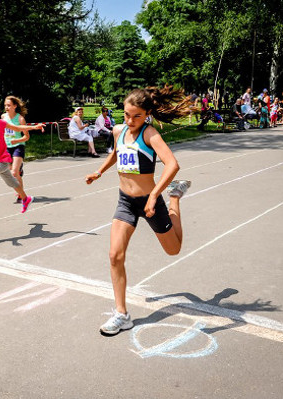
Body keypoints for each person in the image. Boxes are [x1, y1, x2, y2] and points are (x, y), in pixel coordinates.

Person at [85, 86, 192, 335]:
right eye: (126, 115)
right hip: (126, 202)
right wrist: (98, 172)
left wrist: (156, 195)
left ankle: (174, 197)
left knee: (173, 250)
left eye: (136, 116)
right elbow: (115, 154)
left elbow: (173, 164)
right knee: (115, 255)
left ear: (147, 114)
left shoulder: (150, 134)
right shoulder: (118, 130)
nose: (130, 121)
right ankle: (122, 314)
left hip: (150, 202)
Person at [1, 96, 30, 202]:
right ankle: (19, 170)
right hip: (7, 148)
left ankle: (21, 194)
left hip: (18, 146)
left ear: (15, 106)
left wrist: (16, 141)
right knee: (12, 173)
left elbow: (26, 137)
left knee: (14, 173)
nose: (6, 107)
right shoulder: (3, 117)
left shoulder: (20, 119)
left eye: (9, 105)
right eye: (5, 105)